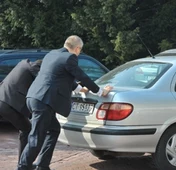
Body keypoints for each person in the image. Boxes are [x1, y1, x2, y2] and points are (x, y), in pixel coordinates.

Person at [17, 35, 113, 170]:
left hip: (34, 97)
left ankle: (42, 165)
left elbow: (61, 76)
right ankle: (22, 167)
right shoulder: (70, 57)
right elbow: (81, 76)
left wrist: (80, 89)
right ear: (78, 48)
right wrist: (100, 91)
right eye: (80, 51)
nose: (79, 54)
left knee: (53, 130)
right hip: (44, 101)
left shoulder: (52, 54)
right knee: (36, 138)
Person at [0, 59, 42, 161]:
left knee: (25, 129)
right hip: (7, 104)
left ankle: (23, 163)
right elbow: (44, 80)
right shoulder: (33, 68)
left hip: (3, 100)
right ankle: (23, 164)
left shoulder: (23, 64)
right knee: (27, 129)